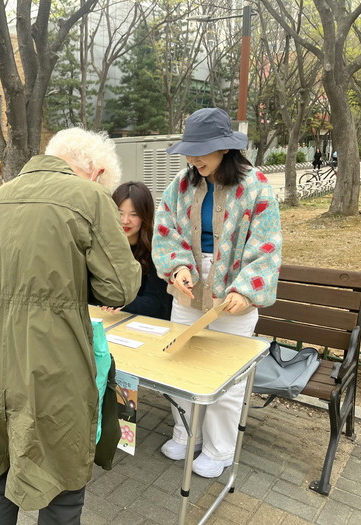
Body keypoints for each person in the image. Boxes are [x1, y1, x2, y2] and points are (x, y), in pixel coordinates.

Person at [0, 127, 141, 524]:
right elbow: (119, 287)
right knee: (63, 486)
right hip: (53, 365)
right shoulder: (90, 197)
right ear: (96, 173)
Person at [153, 108, 282, 478]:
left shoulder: (256, 185)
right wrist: (178, 267)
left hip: (234, 287)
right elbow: (166, 229)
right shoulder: (181, 184)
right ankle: (186, 433)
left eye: (201, 151)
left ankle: (219, 449)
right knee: (181, 362)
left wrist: (247, 290)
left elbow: (266, 245)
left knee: (227, 374)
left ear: (225, 148)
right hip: (190, 284)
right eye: (189, 151)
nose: (193, 159)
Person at [101, 181, 172, 320]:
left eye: (134, 215)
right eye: (119, 213)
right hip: (105, 320)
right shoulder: (101, 246)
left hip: (143, 325)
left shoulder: (157, 251)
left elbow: (156, 306)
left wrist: (122, 301)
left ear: (145, 216)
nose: (125, 220)